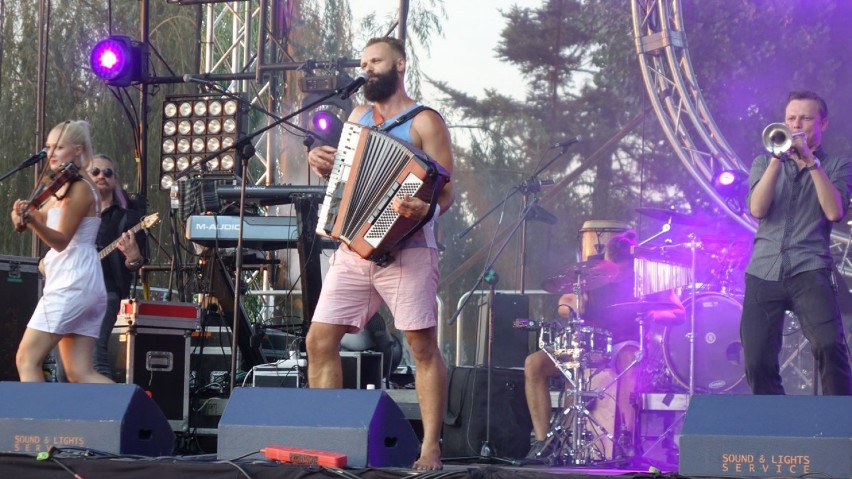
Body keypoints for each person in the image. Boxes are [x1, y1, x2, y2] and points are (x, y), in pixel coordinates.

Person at [305, 37, 454, 471]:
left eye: (375, 61)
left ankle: (430, 446)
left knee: (421, 346)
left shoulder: (425, 121)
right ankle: (328, 439)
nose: (367, 68)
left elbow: (446, 188)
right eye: (363, 62)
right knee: (319, 340)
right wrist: (323, 162)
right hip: (355, 248)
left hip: (408, 250)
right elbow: (349, 179)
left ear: (399, 65)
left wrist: (428, 207)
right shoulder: (357, 117)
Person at [524, 231, 683, 461]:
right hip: (587, 344)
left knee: (630, 360)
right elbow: (564, 302)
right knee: (533, 364)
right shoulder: (591, 270)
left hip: (622, 343)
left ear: (634, 262)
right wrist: (573, 306)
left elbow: (679, 312)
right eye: (613, 269)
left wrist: (655, 313)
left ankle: (626, 442)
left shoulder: (647, 273)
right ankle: (544, 443)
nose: (617, 275)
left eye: (623, 269)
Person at [741, 90, 852, 395]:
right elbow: (757, 210)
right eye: (791, 117)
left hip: (810, 268)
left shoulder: (838, 166)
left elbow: (834, 211)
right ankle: (774, 425)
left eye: (805, 117)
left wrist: (811, 162)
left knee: (830, 347)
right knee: (756, 361)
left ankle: (837, 430)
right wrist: (778, 160)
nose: (796, 124)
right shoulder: (763, 163)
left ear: (823, 124)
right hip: (764, 269)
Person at [10, 120, 111, 383]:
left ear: (77, 151)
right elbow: (40, 220)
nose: (51, 153)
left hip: (73, 281)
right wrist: (22, 216)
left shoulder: (79, 188)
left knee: (27, 358)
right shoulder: (60, 187)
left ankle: (35, 425)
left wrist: (31, 220)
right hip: (77, 280)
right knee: (80, 372)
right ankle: (130, 415)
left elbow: (61, 240)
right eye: (48, 147)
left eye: (59, 147)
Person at [88, 154, 146, 378]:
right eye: (95, 172)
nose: (101, 176)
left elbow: (137, 264)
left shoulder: (129, 219)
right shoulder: (74, 215)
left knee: (94, 353)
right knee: (66, 363)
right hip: (74, 292)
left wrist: (133, 257)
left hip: (106, 292)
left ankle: (109, 408)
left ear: (115, 180)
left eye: (107, 172)